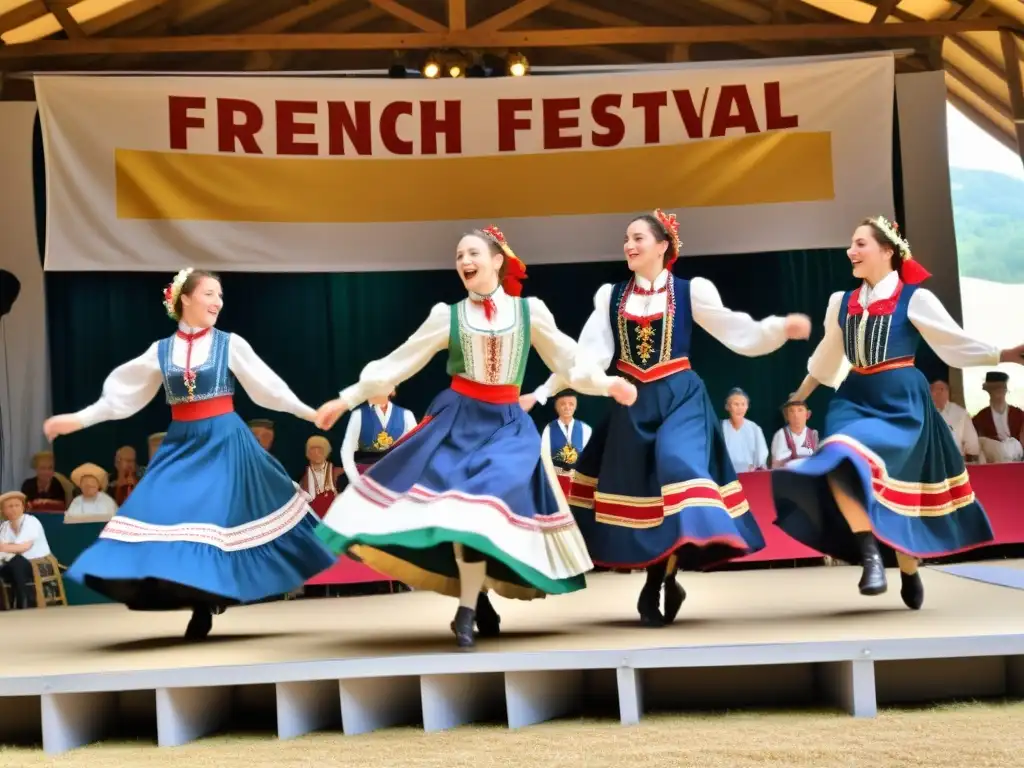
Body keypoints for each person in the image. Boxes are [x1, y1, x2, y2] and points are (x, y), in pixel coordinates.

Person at [312, 226, 635, 649]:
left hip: (506, 425)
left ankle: (467, 609)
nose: (464, 261)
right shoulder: (446, 315)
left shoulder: (529, 311)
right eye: (459, 255)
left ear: (497, 260)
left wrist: (607, 383)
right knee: (461, 516)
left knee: (484, 506)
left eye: (472, 253)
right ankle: (473, 601)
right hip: (458, 420)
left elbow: (570, 361)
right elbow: (398, 362)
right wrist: (348, 397)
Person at [42, 268, 335, 639]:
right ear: (185, 298)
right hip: (182, 442)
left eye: (221, 296)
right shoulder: (161, 351)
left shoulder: (230, 343)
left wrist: (309, 413)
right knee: (157, 508)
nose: (218, 302)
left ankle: (205, 603)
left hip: (225, 440)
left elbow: (268, 389)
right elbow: (122, 398)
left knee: (211, 519)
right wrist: (78, 420)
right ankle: (181, 591)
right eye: (210, 294)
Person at [565, 209, 811, 627]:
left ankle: (654, 584)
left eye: (639, 237)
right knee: (645, 491)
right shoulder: (611, 296)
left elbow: (736, 329)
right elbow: (587, 356)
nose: (629, 244)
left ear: (663, 245)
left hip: (680, 397)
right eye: (626, 237)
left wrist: (776, 329)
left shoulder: (689, 290)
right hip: (633, 403)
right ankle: (664, 578)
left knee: (677, 467)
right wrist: (604, 385)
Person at [771, 216, 1020, 609]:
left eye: (860, 244)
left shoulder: (913, 298)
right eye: (850, 244)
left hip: (901, 400)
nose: (851, 251)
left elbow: (951, 342)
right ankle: (869, 553)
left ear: (887, 250)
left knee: (895, 490)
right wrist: (799, 394)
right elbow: (827, 356)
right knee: (838, 457)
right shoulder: (842, 301)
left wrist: (1002, 354)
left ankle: (906, 566)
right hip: (854, 397)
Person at [339, 389, 417, 488]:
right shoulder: (359, 414)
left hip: (396, 477)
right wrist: (356, 480)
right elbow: (347, 450)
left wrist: (407, 477)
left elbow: (415, 448)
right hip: (366, 476)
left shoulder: (406, 415)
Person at [0, 490, 52, 609]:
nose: (14, 509)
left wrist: (5, 547)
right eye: (10, 506)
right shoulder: (4, 526)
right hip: (15, 564)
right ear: (4, 510)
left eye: (17, 505)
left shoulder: (31, 521)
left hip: (40, 565)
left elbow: (23, 547)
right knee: (14, 563)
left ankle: (26, 603)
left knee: (17, 561)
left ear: (23, 507)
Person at [538, 389, 592, 498]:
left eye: (571, 404)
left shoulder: (586, 429)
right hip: (554, 481)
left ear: (576, 406)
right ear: (556, 407)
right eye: (563, 404)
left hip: (577, 482)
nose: (567, 407)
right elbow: (543, 457)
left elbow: (589, 457)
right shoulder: (548, 429)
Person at [971, 372, 1024, 463]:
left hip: (1017, 455)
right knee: (984, 442)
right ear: (989, 392)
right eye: (996, 391)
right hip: (994, 456)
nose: (1000, 395)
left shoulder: (1018, 414)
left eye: (1002, 390)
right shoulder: (981, 417)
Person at [929, 377, 981, 463]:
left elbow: (972, 444)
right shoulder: (921, 412)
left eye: (942, 389)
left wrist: (971, 463)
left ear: (948, 392)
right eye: (934, 389)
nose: (938, 392)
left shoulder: (960, 413)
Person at [721, 387, 769, 474]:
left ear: (747, 407)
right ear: (727, 407)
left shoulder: (754, 429)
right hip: (726, 477)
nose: (740, 408)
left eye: (743, 404)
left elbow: (761, 459)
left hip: (749, 476)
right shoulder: (721, 427)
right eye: (736, 404)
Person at [298, 435, 344, 518]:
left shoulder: (339, 473)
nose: (317, 453)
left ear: (327, 452)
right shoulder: (303, 481)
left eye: (320, 450)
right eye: (313, 450)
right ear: (308, 453)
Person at [769, 399, 818, 468]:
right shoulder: (781, 435)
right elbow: (777, 464)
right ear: (786, 416)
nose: (796, 415)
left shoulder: (813, 434)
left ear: (808, 414)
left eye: (800, 410)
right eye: (792, 411)